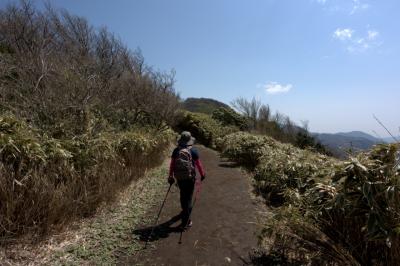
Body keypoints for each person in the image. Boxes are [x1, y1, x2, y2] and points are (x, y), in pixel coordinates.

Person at [168, 131, 205, 230]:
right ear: (189, 141)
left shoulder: (176, 151)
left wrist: (170, 176)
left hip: (180, 178)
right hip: (190, 178)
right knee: (188, 199)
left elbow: (172, 165)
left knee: (183, 196)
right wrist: (202, 174)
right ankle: (186, 221)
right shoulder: (193, 151)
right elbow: (198, 164)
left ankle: (184, 210)